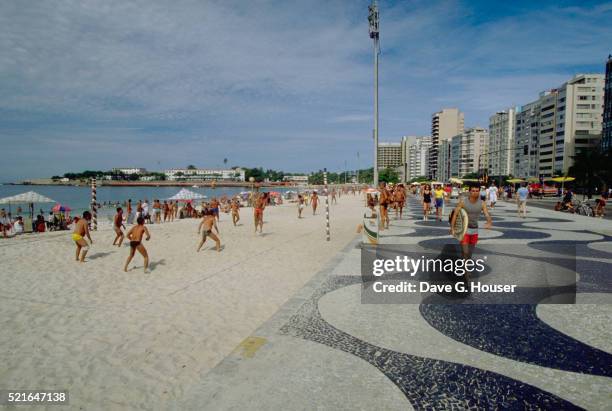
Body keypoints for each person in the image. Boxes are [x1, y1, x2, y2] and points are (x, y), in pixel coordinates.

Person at [450, 185, 493, 279]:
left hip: (474, 230)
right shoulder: (463, 202)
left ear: (479, 192)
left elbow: (486, 213)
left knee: (469, 253)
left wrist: (489, 221)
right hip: (464, 230)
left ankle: (465, 263)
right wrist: (452, 228)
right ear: (469, 192)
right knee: (465, 251)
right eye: (473, 191)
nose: (475, 192)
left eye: (477, 191)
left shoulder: (482, 203)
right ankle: (466, 270)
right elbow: (455, 214)